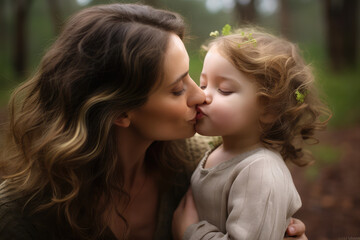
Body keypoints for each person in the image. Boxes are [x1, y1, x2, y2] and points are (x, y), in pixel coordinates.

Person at [0, 4, 307, 240]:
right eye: (177, 89)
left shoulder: (203, 161)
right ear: (120, 112)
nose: (200, 96)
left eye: (191, 76)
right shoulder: (20, 214)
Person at [174, 27, 330, 240]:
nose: (202, 95)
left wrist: (190, 232)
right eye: (204, 84)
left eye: (224, 89)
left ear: (269, 110)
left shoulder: (260, 172)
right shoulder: (219, 149)